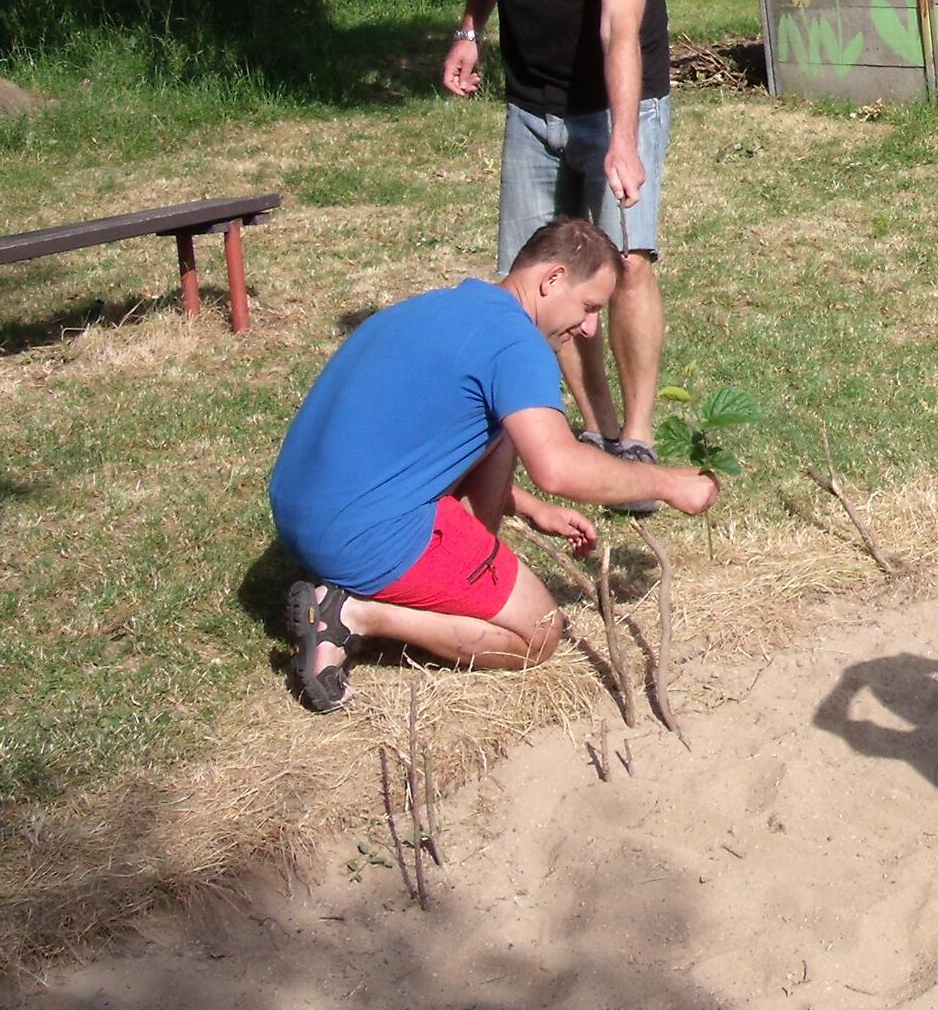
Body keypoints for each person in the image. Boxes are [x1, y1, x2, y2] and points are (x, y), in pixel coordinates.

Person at [268, 219, 720, 713]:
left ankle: (415, 581)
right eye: (589, 307)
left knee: (502, 425)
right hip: (363, 536)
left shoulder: (441, 307)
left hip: (298, 513)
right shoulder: (517, 343)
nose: (590, 327)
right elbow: (558, 468)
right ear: (552, 279)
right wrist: (668, 483)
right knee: (539, 632)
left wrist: (526, 506)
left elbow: (419, 440)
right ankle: (352, 614)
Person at [444, 0, 675, 506]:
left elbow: (619, 27)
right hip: (530, 104)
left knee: (629, 262)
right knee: (537, 280)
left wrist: (623, 139)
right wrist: (470, 30)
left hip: (617, 108)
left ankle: (637, 438)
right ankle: (598, 430)